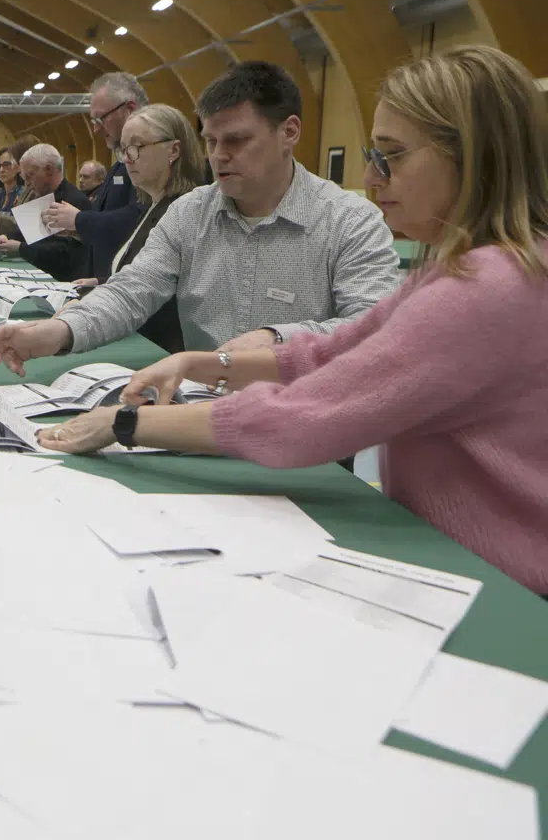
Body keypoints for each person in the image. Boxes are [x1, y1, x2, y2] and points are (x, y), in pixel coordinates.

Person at [38, 45, 548, 593]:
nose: (373, 179)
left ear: (469, 156)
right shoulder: (473, 268)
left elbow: (306, 417)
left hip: (503, 583)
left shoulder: (482, 287)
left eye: (391, 157)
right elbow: (332, 350)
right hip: (462, 557)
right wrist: (204, 362)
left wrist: (123, 425)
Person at [0, 60, 401, 369]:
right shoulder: (190, 213)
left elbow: (371, 329)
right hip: (201, 412)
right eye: (211, 140)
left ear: (289, 132)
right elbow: (131, 290)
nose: (219, 156)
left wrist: (277, 338)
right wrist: (60, 331)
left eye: (237, 140)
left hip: (309, 427)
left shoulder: (351, 222)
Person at [70, 104, 206, 353]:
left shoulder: (184, 212)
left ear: (173, 150)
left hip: (159, 352)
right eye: (123, 149)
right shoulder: (153, 206)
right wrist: (104, 282)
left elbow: (167, 296)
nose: (127, 158)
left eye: (136, 147)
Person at [36, 73, 150, 282]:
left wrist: (79, 220)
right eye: (93, 120)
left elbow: (141, 220)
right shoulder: (119, 166)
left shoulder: (149, 163)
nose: (96, 128)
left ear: (130, 109)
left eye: (101, 118)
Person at [0, 144, 94, 277]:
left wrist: (21, 249)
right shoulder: (41, 196)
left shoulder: (74, 201)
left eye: (30, 176)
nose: (27, 184)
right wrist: (7, 238)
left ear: (49, 170)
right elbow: (26, 233)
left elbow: (64, 252)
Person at [0, 148, 23, 212]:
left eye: (6, 165)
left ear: (17, 166)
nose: (1, 170)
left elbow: (15, 221)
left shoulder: (22, 195)